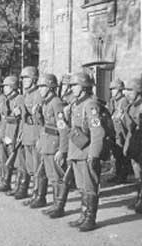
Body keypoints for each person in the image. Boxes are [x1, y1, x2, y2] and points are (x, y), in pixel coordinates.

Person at [66, 72, 105, 231]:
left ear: (83, 87)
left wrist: (94, 154)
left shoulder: (90, 105)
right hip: (77, 151)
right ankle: (83, 215)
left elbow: (98, 131)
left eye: (75, 85)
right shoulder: (77, 104)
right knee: (82, 186)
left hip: (87, 152)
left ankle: (90, 218)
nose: (72, 88)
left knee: (89, 187)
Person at [34, 74, 69, 212]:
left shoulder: (56, 102)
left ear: (50, 87)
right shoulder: (45, 102)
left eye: (42, 86)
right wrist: (36, 114)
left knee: (56, 177)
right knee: (45, 173)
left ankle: (58, 206)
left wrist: (62, 149)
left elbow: (63, 128)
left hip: (54, 145)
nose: (40, 89)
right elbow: (43, 125)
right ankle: (51, 203)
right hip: (46, 143)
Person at [16, 66, 43, 202]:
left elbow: (39, 120)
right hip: (27, 133)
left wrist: (39, 137)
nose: (24, 80)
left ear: (34, 79)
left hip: (35, 134)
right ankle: (33, 193)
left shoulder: (37, 94)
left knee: (37, 168)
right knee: (30, 167)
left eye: (27, 78)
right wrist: (21, 132)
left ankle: (38, 195)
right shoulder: (25, 94)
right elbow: (23, 117)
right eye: (23, 78)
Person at [0, 75, 24, 193]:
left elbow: (20, 119)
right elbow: (4, 117)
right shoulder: (6, 99)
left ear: (13, 87)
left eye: (7, 86)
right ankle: (6, 182)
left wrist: (17, 137)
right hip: (8, 132)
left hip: (15, 133)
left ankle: (18, 186)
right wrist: (3, 134)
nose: (4, 88)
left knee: (18, 162)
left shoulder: (19, 98)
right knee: (6, 159)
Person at [123, 77, 142, 214]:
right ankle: (139, 199)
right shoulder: (131, 106)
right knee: (138, 176)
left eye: (130, 90)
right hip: (134, 146)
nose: (126, 93)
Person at [107, 78, 131, 183]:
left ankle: (123, 175)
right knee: (116, 154)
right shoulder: (114, 101)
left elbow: (125, 118)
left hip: (122, 132)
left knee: (122, 154)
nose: (112, 91)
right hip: (115, 132)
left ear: (119, 89)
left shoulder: (123, 101)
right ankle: (117, 174)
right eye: (111, 89)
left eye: (114, 89)